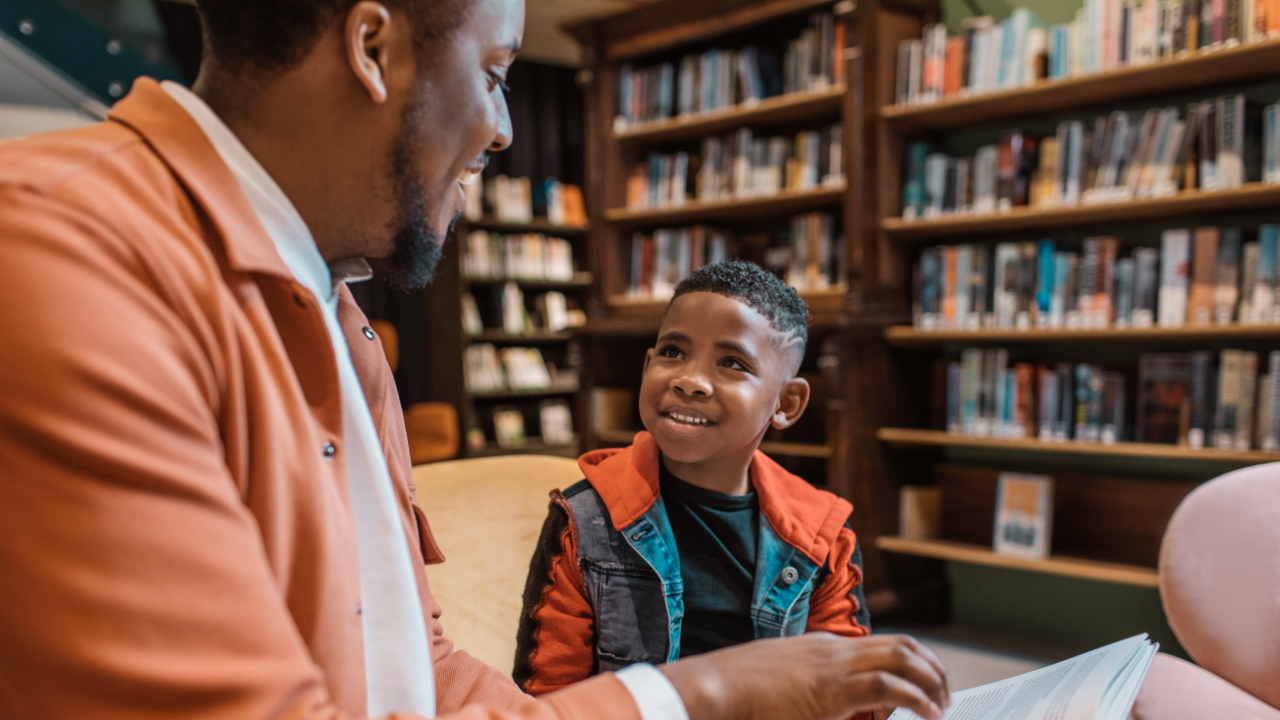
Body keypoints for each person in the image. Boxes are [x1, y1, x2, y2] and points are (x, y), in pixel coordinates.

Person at [0, 0, 951, 718]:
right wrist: (701, 695)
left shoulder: (340, 319)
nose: (502, 128)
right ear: (373, 50)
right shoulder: (62, 257)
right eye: (496, 73)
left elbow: (420, 678)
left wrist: (706, 692)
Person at [515, 261, 873, 702]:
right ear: (647, 365)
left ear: (786, 402)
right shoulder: (582, 523)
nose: (689, 381)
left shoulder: (825, 537)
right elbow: (548, 700)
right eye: (673, 353)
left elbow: (845, 695)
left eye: (731, 362)